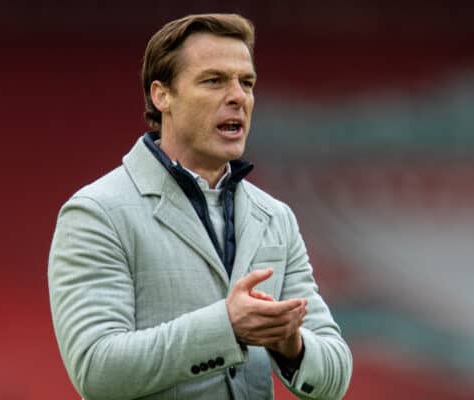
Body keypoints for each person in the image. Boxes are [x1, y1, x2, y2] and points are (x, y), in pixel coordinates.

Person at [48, 13, 352, 400]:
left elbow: (335, 375)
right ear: (162, 96)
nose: (238, 97)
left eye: (247, 83)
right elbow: (97, 370)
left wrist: (291, 346)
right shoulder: (97, 213)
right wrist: (226, 327)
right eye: (214, 81)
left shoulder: (276, 217)